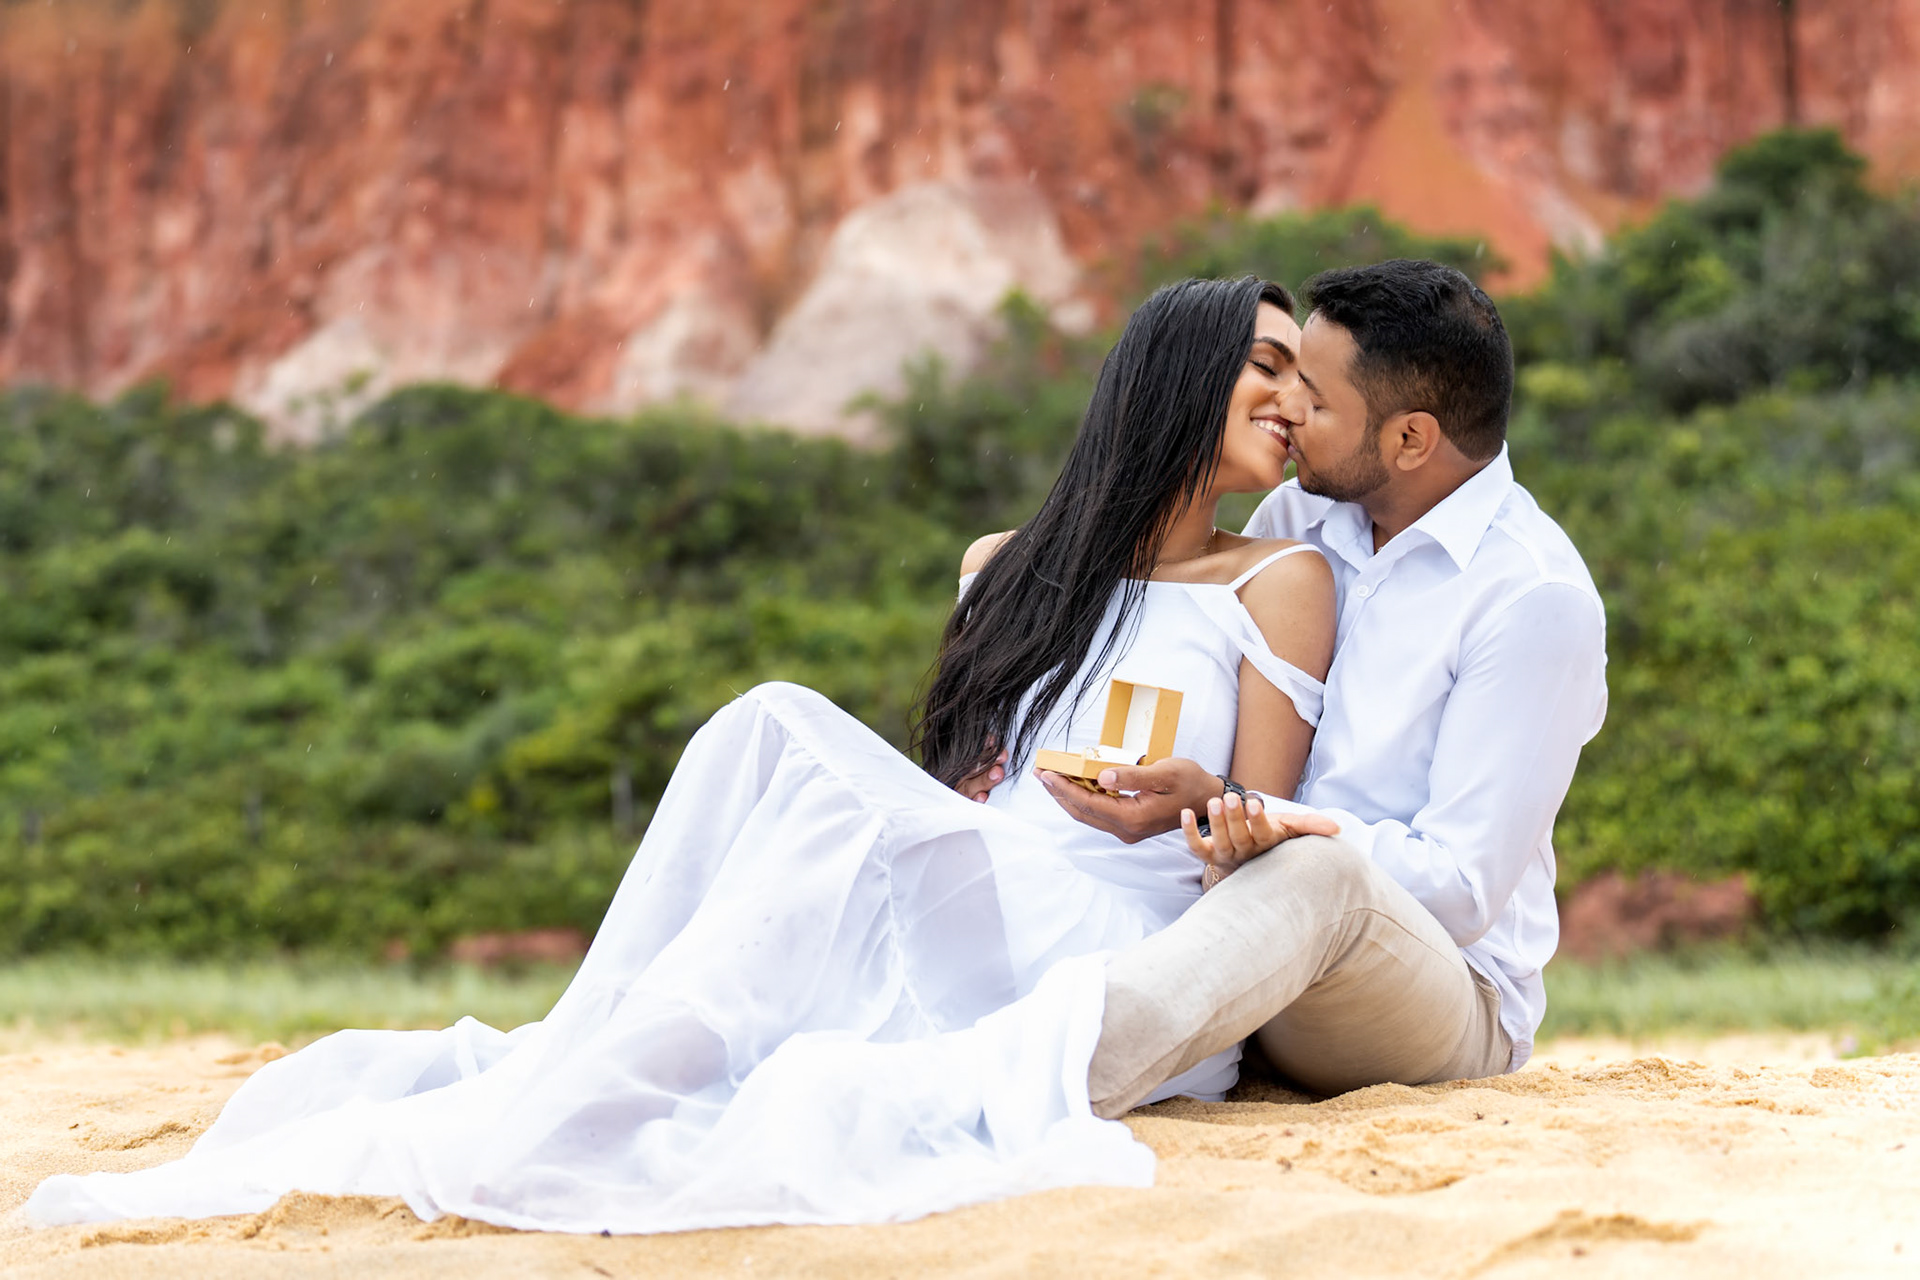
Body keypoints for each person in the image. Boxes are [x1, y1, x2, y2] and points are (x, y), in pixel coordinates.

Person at [27, 276, 1343, 1235]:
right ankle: (607, 1065)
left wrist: (1198, 807)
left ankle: (601, 1081)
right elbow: (967, 782)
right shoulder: (1003, 569)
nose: (1290, 400)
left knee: (783, 726)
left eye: (1300, 378)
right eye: (1265, 366)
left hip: (1115, 929)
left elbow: (1267, 830)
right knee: (791, 764)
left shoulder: (1278, 580)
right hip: (988, 885)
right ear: (1177, 374)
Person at [1035, 259, 1609, 1116]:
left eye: (1318, 398)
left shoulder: (1531, 597)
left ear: (1410, 440)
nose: (1288, 411)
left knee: (1320, 874)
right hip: (1249, 934)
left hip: (1437, 992)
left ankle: (1040, 1080)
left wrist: (1268, 821)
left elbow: (1460, 890)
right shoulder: (1297, 518)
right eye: (1290, 377)